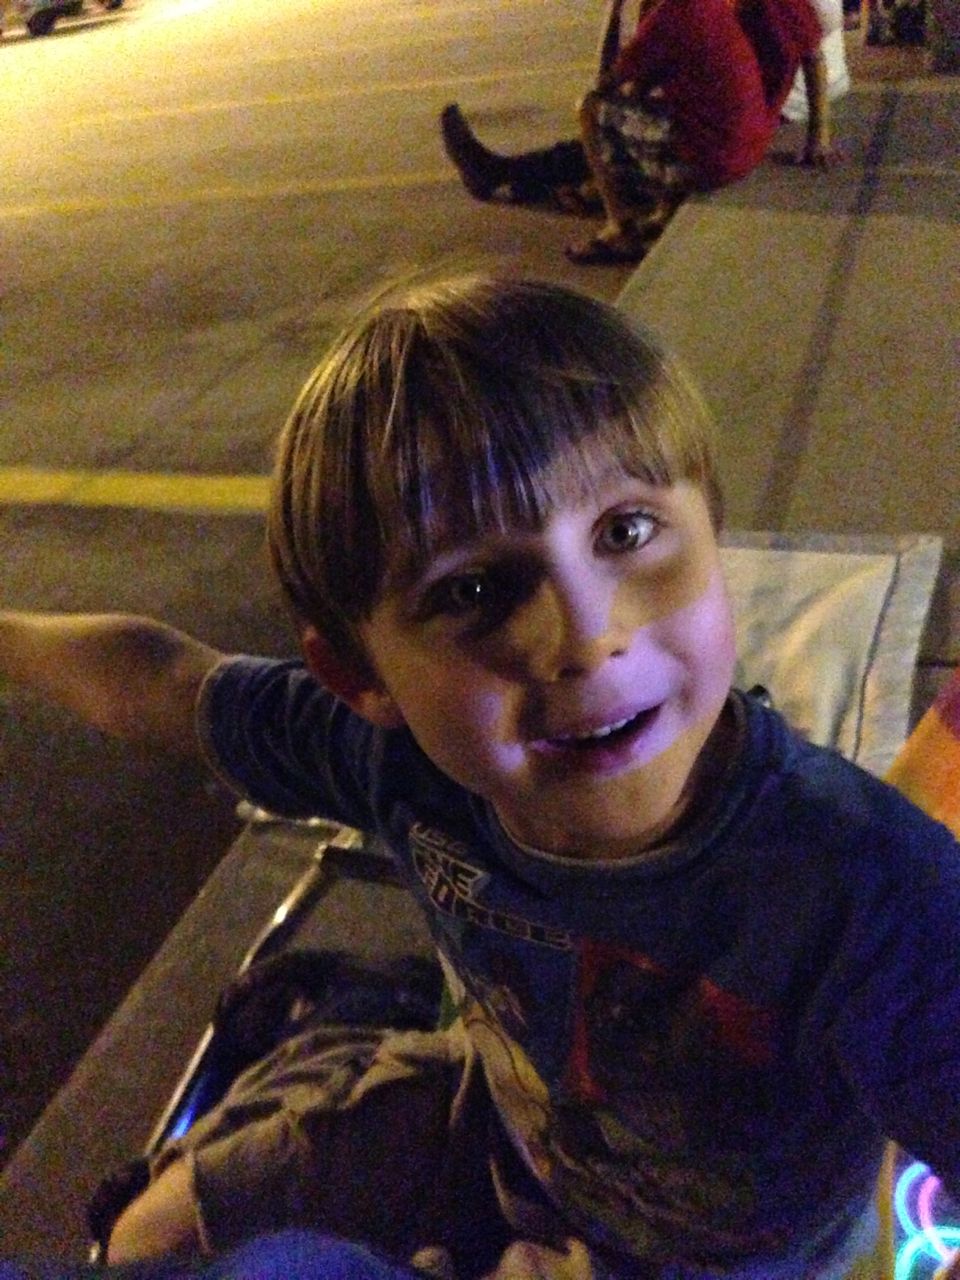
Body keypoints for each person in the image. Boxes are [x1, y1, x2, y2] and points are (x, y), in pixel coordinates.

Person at [1, 275, 958, 1280]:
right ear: (361, 677)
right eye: (473, 587)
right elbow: (164, 682)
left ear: (713, 531)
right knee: (147, 1232)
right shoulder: (400, 763)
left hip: (721, 1265)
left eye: (626, 531)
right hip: (509, 1130)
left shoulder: (873, 893)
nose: (586, 636)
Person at [440, 0, 840, 264]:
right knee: (636, 125)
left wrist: (818, 137)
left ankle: (610, 221)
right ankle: (530, 178)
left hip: (754, 123)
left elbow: (612, 88)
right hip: (746, 122)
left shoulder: (702, 10)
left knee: (597, 118)